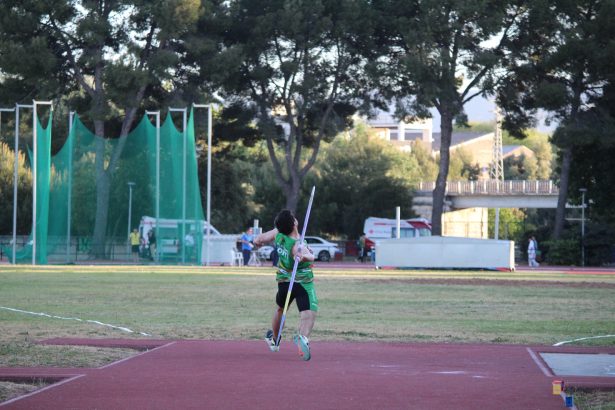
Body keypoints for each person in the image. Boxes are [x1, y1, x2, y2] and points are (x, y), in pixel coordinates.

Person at [254, 209, 317, 361]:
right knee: (308, 311)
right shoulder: (297, 244)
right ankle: (303, 337)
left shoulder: (278, 233)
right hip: (302, 282)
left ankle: (275, 340)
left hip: (283, 281)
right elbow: (311, 257)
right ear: (294, 223)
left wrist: (257, 241)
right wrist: (305, 256)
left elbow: (260, 239)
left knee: (281, 309)